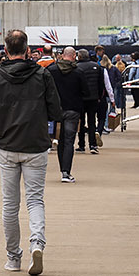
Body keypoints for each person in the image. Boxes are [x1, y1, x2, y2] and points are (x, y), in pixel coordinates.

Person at [0, 29, 62, 275]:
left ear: (5, 50)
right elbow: (55, 110)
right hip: (35, 143)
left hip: (8, 144)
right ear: (27, 50)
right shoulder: (42, 75)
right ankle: (37, 243)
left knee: (10, 204)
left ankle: (13, 257)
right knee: (35, 200)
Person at [49, 47, 85, 184]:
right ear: (74, 56)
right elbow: (85, 91)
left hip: (56, 109)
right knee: (69, 140)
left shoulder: (52, 70)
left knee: (60, 140)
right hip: (73, 110)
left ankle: (62, 170)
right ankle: (66, 171)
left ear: (62, 55)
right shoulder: (78, 72)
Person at [74, 48, 105, 155]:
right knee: (92, 121)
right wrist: (99, 96)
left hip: (80, 99)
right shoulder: (97, 67)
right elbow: (101, 84)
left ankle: (81, 144)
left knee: (81, 122)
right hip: (93, 98)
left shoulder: (76, 67)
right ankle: (93, 144)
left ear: (79, 56)